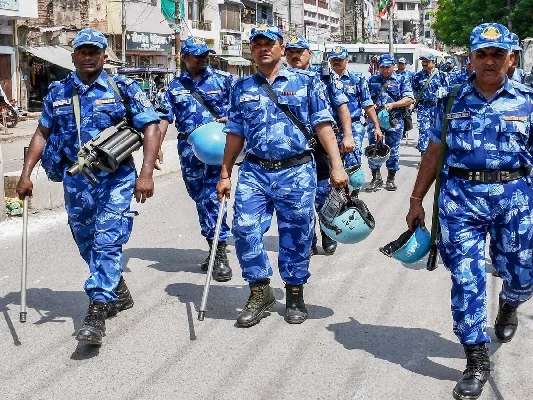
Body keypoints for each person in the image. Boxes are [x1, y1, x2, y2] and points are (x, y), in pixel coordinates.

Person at [405, 23, 533, 400]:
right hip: (460, 201)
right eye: (482, 54)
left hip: (514, 201)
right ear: (470, 58)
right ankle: (476, 359)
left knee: (522, 275)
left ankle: (509, 303)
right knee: (466, 279)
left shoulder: (530, 101)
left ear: (510, 58)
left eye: (497, 54)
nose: (489, 61)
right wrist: (416, 199)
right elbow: (433, 153)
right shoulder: (450, 100)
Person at [15, 28, 162, 345]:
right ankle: (116, 289)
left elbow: (150, 125)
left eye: (94, 51)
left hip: (115, 178)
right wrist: (26, 174)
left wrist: (146, 172)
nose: (88, 56)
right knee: (86, 243)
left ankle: (97, 310)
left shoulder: (122, 87)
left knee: (107, 240)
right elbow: (42, 133)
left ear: (104, 56)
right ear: (73, 56)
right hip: (76, 180)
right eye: (83, 51)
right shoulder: (58, 92)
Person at [216, 25, 348, 327]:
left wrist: (337, 166)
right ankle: (259, 290)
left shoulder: (307, 82)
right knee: (245, 230)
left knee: (297, 234)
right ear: (251, 50)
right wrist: (224, 173)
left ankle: (295, 292)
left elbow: (323, 125)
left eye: (269, 43)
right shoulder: (242, 87)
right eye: (257, 44)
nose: (263, 48)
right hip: (254, 171)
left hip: (296, 170)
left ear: (281, 48)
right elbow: (234, 132)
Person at [158, 37, 233, 282]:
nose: (203, 59)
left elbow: (242, 107)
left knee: (213, 196)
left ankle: (219, 252)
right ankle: (213, 246)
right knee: (200, 198)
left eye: (206, 55)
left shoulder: (224, 80)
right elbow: (163, 118)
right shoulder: (174, 87)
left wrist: (231, 120)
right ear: (184, 58)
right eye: (197, 56)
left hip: (217, 147)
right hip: (189, 150)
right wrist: (156, 147)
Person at [285, 35, 353, 255]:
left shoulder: (324, 76)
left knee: (323, 192)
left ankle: (327, 231)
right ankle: (309, 237)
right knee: (299, 197)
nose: (295, 56)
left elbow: (342, 106)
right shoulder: (280, 78)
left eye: (300, 52)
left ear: (309, 54)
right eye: (290, 52)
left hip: (322, 144)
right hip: (294, 149)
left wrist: (348, 135)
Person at [365, 54, 414, 192]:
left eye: (388, 67)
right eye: (382, 67)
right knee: (374, 148)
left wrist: (393, 105)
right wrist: (370, 105)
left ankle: (391, 179)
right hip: (375, 120)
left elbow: (409, 99)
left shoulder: (401, 79)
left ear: (393, 66)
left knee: (393, 150)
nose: (385, 70)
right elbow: (364, 98)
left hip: (394, 119)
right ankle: (376, 177)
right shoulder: (372, 80)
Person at [412, 54, 449, 158]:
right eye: (423, 61)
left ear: (433, 62)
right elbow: (413, 89)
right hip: (423, 107)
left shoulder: (442, 75)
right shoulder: (417, 76)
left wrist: (443, 93)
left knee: (438, 132)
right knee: (424, 131)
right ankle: (424, 157)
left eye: (427, 61)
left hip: (438, 108)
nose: (424, 64)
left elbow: (447, 89)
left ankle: (437, 157)